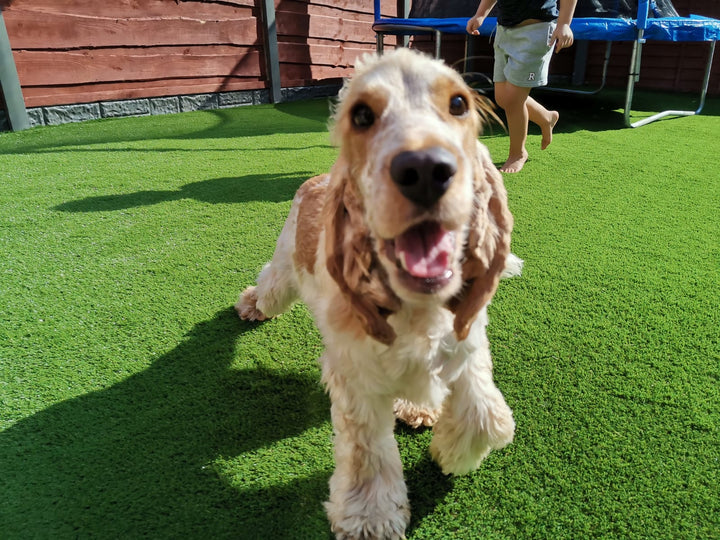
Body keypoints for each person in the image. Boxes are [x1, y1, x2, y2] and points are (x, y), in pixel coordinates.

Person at [467, 0, 577, 173]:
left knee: (512, 100)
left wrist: (564, 24)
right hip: (504, 31)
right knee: (503, 98)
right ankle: (546, 117)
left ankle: (518, 153)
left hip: (536, 31)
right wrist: (480, 15)